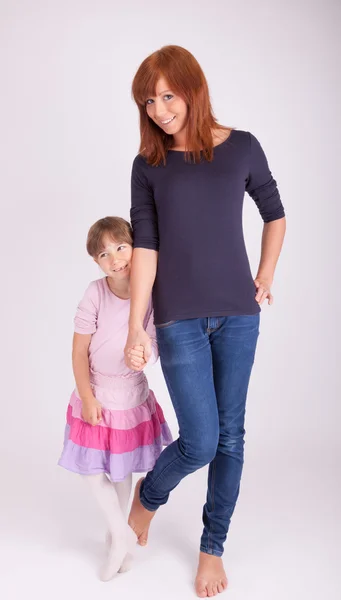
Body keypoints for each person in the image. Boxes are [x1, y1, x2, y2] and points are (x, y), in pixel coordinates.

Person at [124, 45, 286, 598]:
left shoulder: (242, 146)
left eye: (168, 95)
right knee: (201, 440)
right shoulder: (149, 165)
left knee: (232, 436)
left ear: (193, 88)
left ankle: (211, 548)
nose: (159, 108)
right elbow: (145, 247)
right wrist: (133, 327)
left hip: (239, 315)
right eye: (149, 100)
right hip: (177, 318)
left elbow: (274, 211)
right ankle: (148, 498)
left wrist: (265, 273)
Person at [58, 216, 172, 581]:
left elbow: (152, 344)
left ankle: (115, 539)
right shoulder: (95, 292)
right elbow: (78, 352)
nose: (115, 258)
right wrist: (87, 396)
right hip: (97, 394)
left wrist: (143, 354)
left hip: (131, 398)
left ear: (134, 247)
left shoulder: (150, 292)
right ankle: (121, 535)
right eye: (104, 254)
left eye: (121, 247)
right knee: (93, 472)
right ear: (97, 262)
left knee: (122, 470)